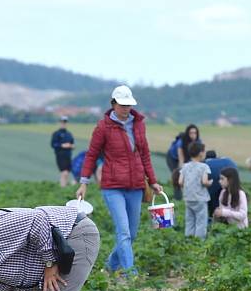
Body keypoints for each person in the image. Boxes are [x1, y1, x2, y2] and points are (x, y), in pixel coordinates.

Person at [76, 85, 162, 277]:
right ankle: (131, 274)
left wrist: (153, 181)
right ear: (113, 104)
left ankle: (110, 267)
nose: (126, 108)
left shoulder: (139, 124)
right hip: (112, 186)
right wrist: (84, 182)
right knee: (123, 232)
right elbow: (91, 155)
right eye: (122, 105)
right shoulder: (103, 127)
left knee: (132, 233)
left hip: (136, 186)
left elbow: (145, 154)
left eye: (128, 105)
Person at [178, 142, 212, 239]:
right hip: (200, 198)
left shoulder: (185, 166)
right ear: (201, 153)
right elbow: (204, 181)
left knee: (190, 220)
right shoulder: (204, 167)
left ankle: (188, 239)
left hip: (188, 197)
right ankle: (198, 241)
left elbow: (180, 182)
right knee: (201, 221)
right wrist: (210, 183)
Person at [203, 150, 236, 217]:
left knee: (213, 200)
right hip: (232, 180)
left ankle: (213, 217)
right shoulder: (228, 160)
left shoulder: (206, 163)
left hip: (213, 182)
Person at [51, 116, 75, 187]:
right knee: (64, 172)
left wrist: (71, 146)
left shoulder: (69, 134)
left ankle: (64, 186)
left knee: (67, 173)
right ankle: (63, 187)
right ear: (60, 123)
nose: (64, 124)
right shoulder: (56, 133)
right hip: (60, 156)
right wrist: (62, 145)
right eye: (62, 122)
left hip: (68, 155)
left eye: (65, 122)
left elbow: (72, 144)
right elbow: (53, 144)